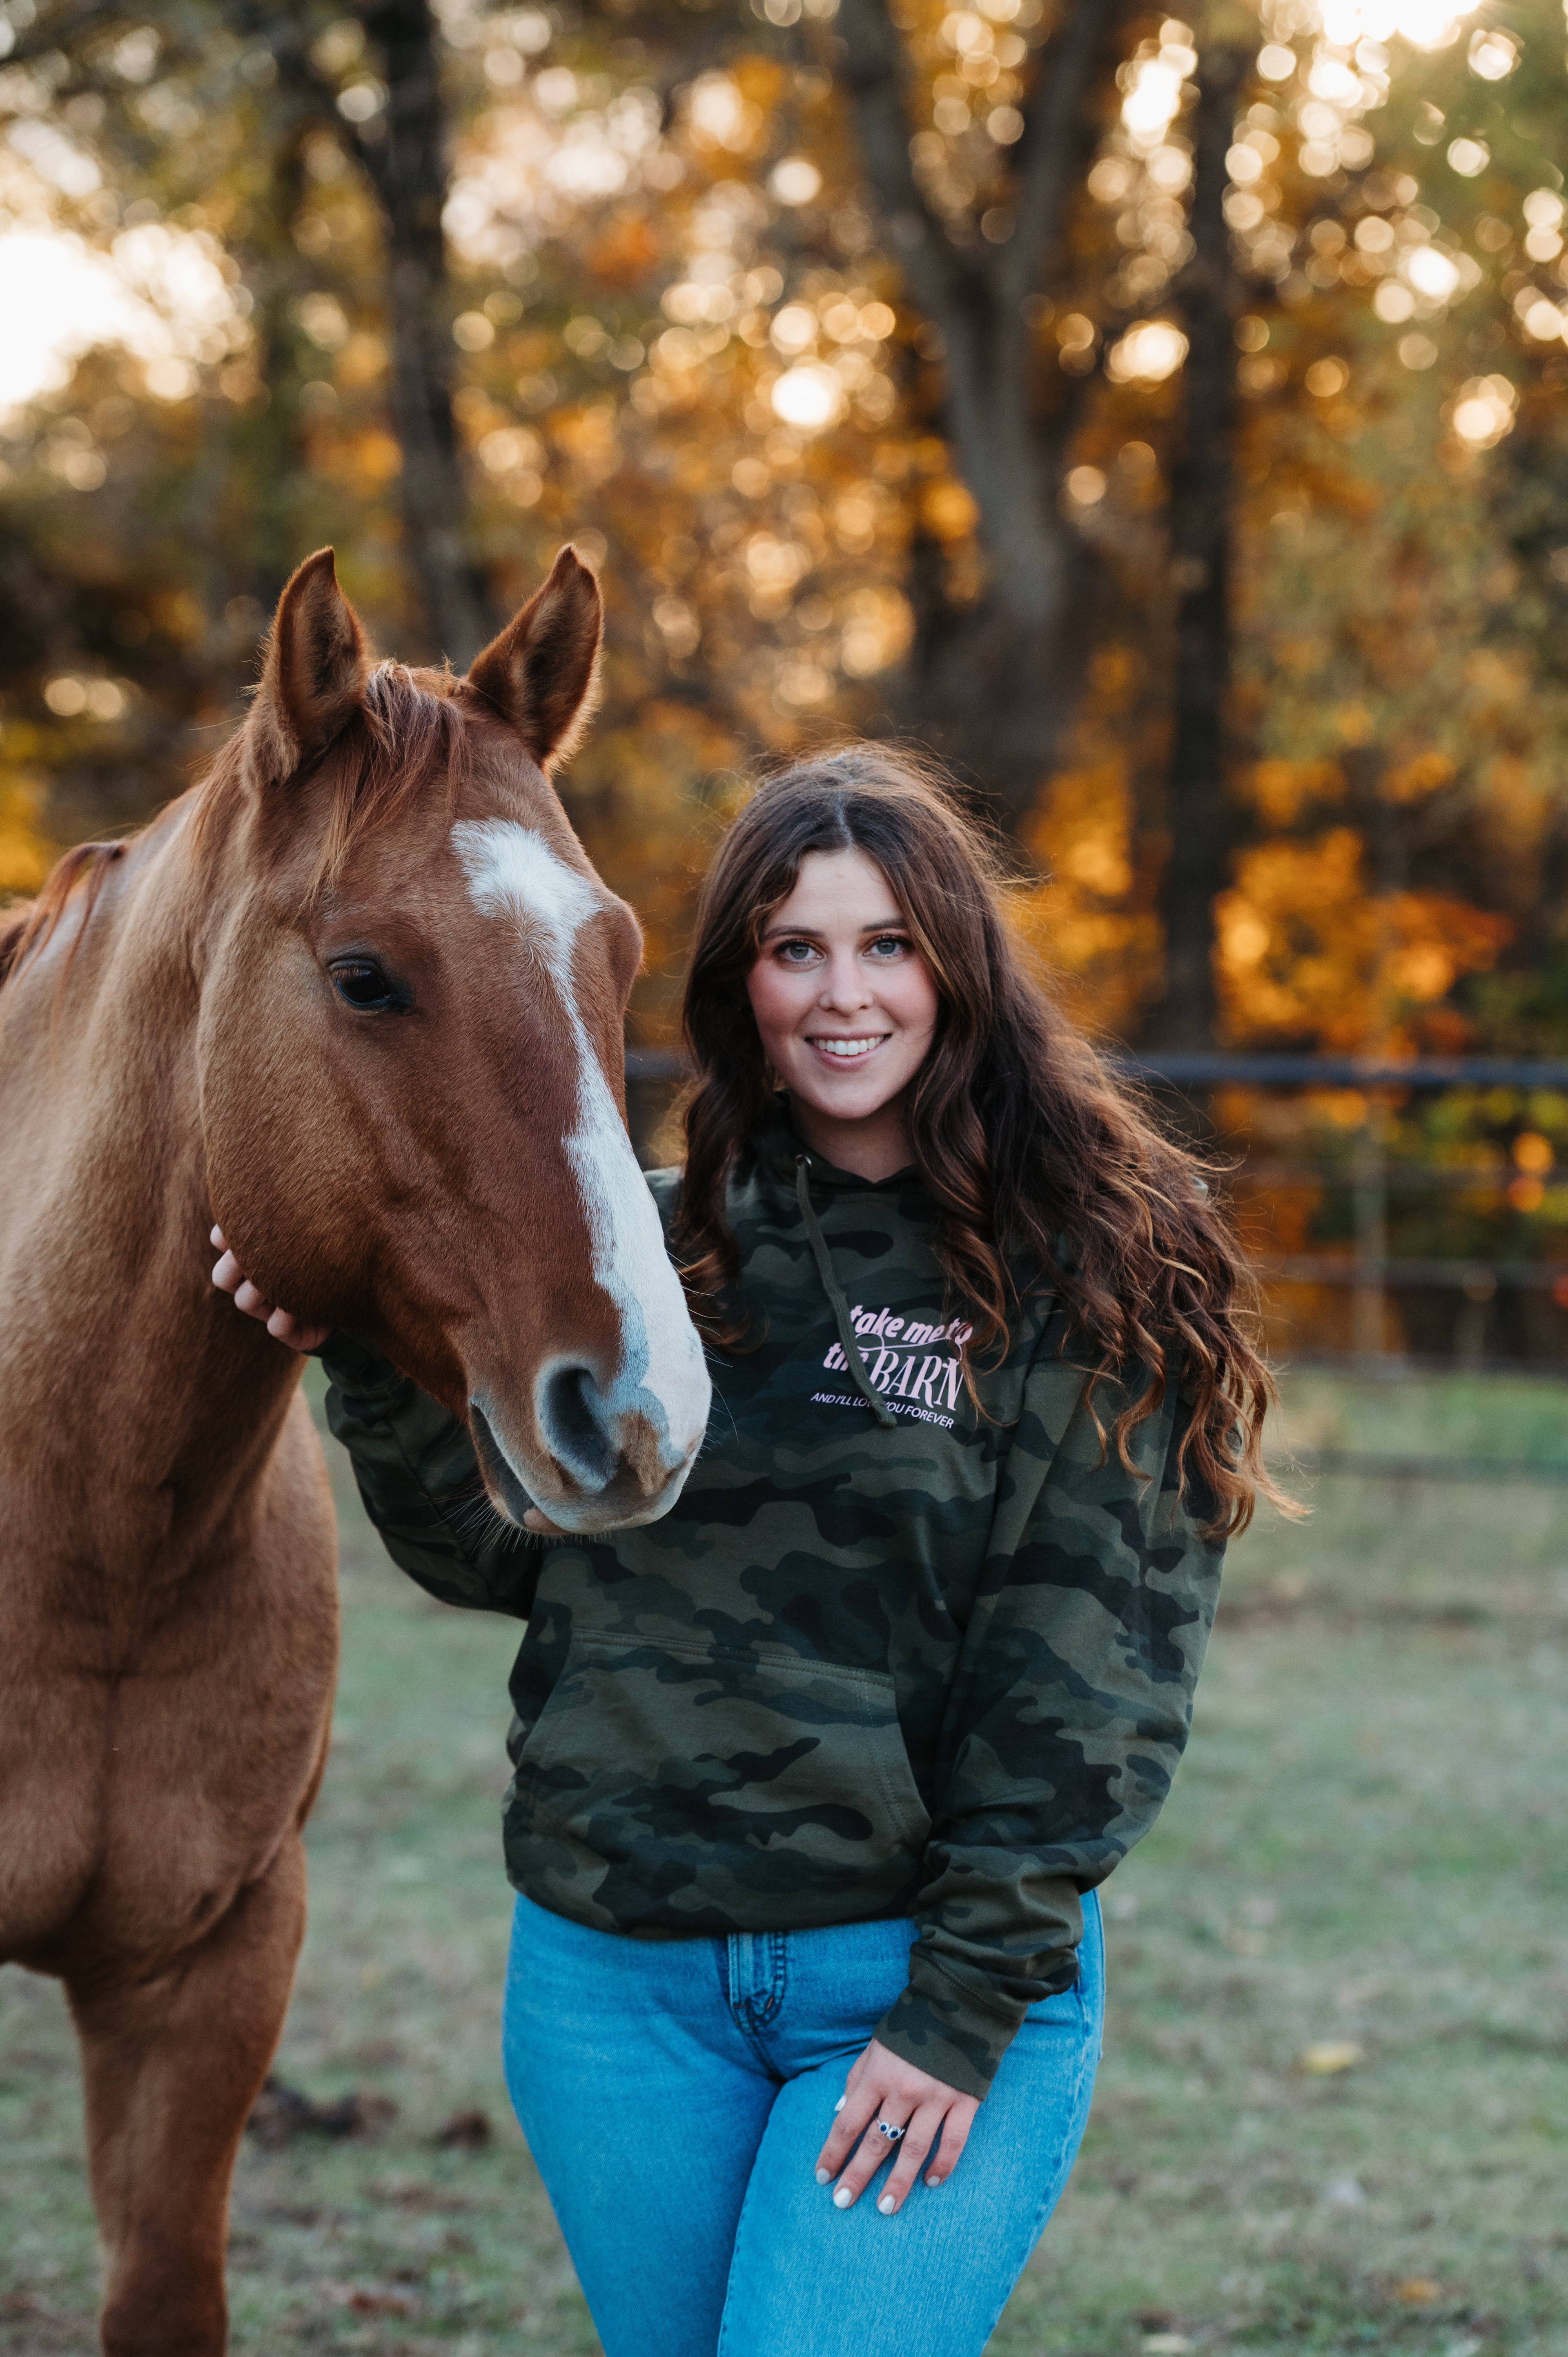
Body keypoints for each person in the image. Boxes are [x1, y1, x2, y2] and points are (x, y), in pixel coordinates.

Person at [213, 748, 1279, 2357]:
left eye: (887, 946)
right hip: (615, 1991)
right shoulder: (645, 1246)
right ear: (741, 988)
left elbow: (1087, 1693)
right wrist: (360, 1358)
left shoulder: (1098, 1266)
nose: (843, 995)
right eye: (796, 950)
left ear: (956, 973)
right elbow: (505, 1555)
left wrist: (960, 2013)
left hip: (911, 1989)